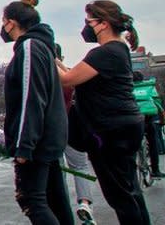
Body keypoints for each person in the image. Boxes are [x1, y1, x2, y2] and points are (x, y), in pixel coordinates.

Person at [57, 0, 151, 224]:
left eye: (88, 21)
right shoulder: (117, 50)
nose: (86, 27)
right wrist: (57, 61)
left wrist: (42, 56)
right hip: (124, 126)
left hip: (111, 130)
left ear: (103, 24)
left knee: (120, 195)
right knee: (129, 190)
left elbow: (68, 79)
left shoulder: (105, 53)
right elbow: (76, 73)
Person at [0, 0, 73, 225]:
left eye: (3, 21)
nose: (2, 27)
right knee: (55, 200)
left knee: (32, 200)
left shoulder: (30, 47)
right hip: (47, 138)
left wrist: (24, 145)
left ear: (11, 22)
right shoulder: (41, 46)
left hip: (38, 141)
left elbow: (32, 98)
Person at [55, 43, 97, 224]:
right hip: (72, 127)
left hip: (52, 131)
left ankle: (61, 208)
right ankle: (85, 203)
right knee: (79, 167)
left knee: (58, 172)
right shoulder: (69, 76)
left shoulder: (39, 76)